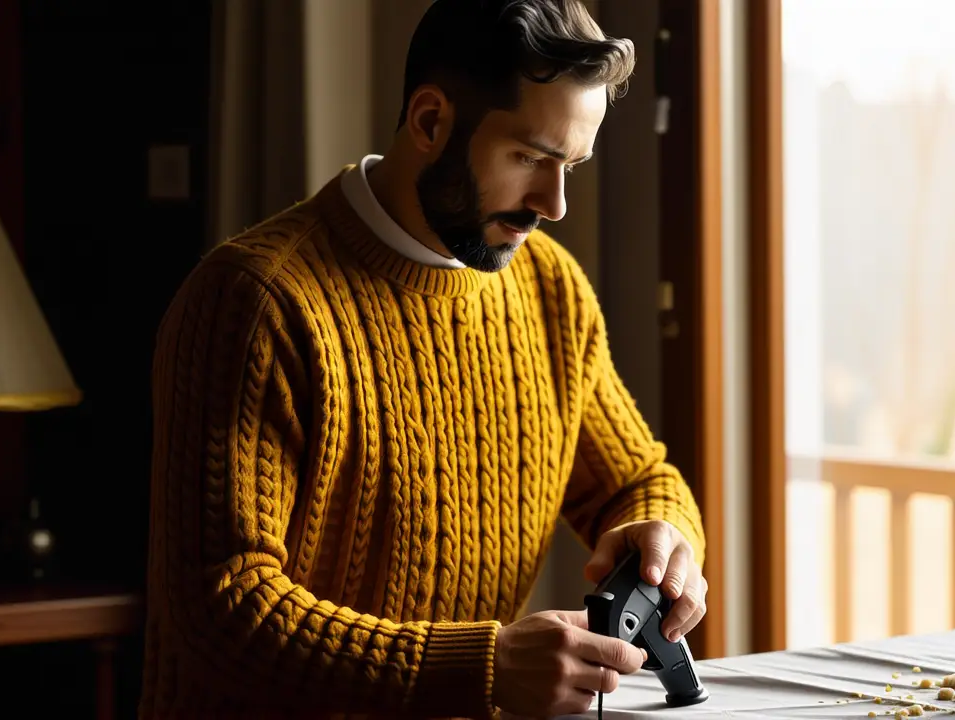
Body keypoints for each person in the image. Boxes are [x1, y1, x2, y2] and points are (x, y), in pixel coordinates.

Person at [139, 0, 708, 717]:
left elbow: (635, 480)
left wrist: (663, 537)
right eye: (530, 157)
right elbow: (223, 611)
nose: (554, 203)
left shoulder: (550, 290)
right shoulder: (254, 303)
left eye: (572, 164)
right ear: (431, 121)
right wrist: (485, 666)